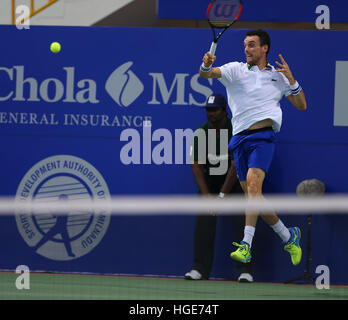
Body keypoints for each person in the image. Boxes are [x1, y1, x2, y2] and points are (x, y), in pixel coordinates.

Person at [199, 29, 307, 266]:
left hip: (262, 138)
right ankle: (289, 236)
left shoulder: (277, 76)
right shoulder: (235, 70)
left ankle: (246, 245)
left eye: (251, 45)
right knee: (254, 196)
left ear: (264, 48)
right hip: (239, 141)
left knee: (254, 187)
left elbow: (301, 105)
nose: (246, 49)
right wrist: (206, 64)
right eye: (245, 45)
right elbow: (206, 74)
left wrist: (292, 80)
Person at [185, 93, 254, 283]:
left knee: (244, 223)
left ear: (224, 111)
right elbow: (196, 165)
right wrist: (207, 197)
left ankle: (244, 270)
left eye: (215, 110)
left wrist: (223, 196)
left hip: (236, 181)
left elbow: (235, 166)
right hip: (210, 182)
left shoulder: (236, 130)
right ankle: (199, 269)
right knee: (203, 224)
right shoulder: (201, 131)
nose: (211, 114)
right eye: (208, 110)